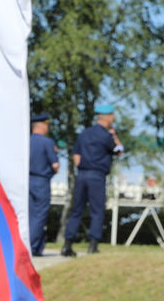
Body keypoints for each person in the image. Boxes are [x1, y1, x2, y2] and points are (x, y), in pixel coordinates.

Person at [62, 103, 125, 256]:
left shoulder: (84, 134)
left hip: (82, 174)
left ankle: (67, 245)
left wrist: (82, 168)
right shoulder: (106, 136)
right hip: (97, 176)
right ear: (108, 117)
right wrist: (115, 137)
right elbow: (120, 151)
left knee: (77, 210)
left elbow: (76, 157)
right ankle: (93, 245)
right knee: (97, 211)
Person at [28, 113, 60, 256]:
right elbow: (55, 165)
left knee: (29, 214)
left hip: (26, 180)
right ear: (43, 126)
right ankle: (32, 246)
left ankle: (33, 246)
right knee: (40, 215)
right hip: (41, 181)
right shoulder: (47, 143)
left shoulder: (26, 141)